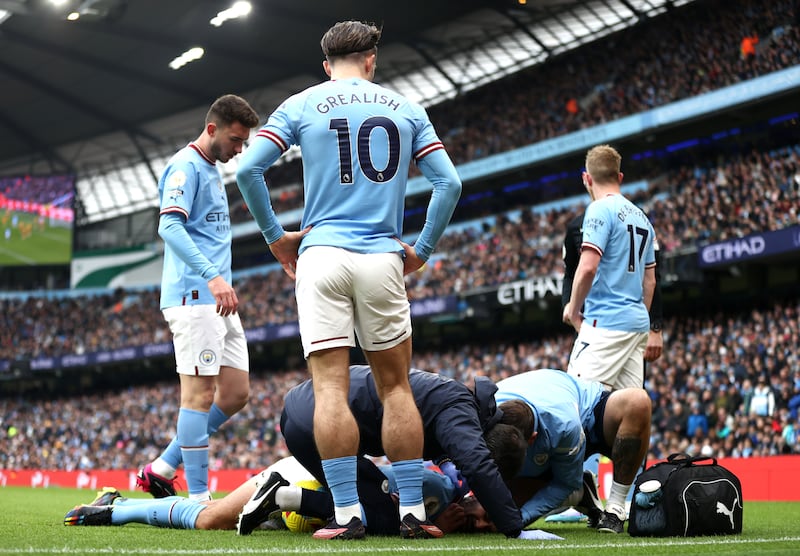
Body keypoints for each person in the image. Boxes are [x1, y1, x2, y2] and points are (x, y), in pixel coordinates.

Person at [235, 21, 462, 539]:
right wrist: (420, 250)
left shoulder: (300, 104)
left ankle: (347, 517)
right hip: (382, 257)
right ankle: (412, 514)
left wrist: (275, 236)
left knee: (331, 389)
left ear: (325, 64)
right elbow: (450, 183)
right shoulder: (405, 109)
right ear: (372, 60)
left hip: (320, 257)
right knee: (396, 387)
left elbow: (249, 171)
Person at [137, 94, 260, 502]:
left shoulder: (211, 168)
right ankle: (198, 500)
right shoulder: (185, 166)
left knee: (236, 393)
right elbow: (170, 227)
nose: (239, 149)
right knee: (199, 395)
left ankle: (162, 468)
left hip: (216, 298)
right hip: (195, 295)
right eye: (236, 140)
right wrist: (212, 277)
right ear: (212, 129)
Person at [280, 364, 551, 540]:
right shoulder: (461, 409)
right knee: (383, 516)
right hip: (315, 421)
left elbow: (431, 427)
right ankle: (290, 498)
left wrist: (445, 462)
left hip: (306, 410)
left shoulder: (458, 399)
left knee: (367, 497)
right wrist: (515, 529)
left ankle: (283, 499)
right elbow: (479, 466)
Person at [64, 456, 565, 539]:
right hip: (307, 474)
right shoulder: (434, 485)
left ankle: (277, 502)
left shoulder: (445, 497)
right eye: (486, 516)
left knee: (212, 514)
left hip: (307, 499)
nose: (482, 524)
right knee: (210, 520)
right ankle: (116, 508)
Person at [493, 369, 652, 535]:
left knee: (637, 402)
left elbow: (565, 483)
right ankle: (581, 492)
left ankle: (615, 507)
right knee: (493, 511)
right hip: (555, 433)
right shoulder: (478, 419)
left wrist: (521, 518)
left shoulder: (564, 423)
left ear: (532, 439)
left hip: (587, 414)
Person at [562, 145, 657, 392]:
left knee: (579, 401)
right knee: (626, 410)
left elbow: (587, 268)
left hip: (604, 323)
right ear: (620, 177)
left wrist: (573, 310)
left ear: (587, 179)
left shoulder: (599, 209)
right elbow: (650, 282)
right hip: (636, 325)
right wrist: (638, 316)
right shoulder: (643, 217)